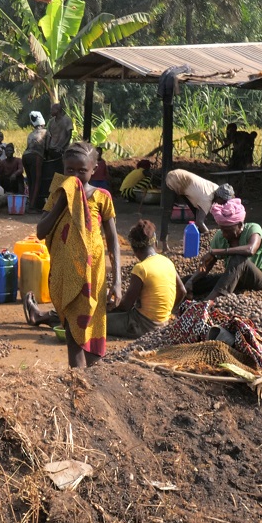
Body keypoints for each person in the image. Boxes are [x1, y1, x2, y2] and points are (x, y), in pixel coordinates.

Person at [23, 140, 121, 368]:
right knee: (73, 334)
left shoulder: (102, 197)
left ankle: (93, 379)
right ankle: (78, 382)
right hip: (66, 274)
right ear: (63, 168)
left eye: (82, 170)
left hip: (93, 275)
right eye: (70, 170)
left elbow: (113, 240)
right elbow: (41, 231)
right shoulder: (58, 194)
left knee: (94, 325)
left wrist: (117, 281)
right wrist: (62, 203)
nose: (75, 175)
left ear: (94, 169)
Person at [107, 219, 186, 338]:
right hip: (164, 324)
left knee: (97, 322)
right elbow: (183, 291)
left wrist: (109, 307)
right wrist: (168, 312)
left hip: (142, 326)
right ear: (155, 244)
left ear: (134, 250)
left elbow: (126, 306)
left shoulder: (141, 268)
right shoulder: (167, 262)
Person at [187, 197, 262, 298]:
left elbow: (250, 249)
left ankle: (208, 303)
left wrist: (216, 252)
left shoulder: (253, 228)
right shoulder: (220, 236)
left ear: (239, 225)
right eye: (222, 230)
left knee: (238, 259)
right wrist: (192, 280)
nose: (224, 234)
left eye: (228, 231)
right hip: (237, 280)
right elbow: (208, 264)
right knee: (189, 281)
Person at [164, 168, 221, 234]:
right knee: (167, 212)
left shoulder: (216, 188)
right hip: (175, 181)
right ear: (219, 197)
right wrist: (210, 237)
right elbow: (200, 222)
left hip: (181, 178)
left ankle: (199, 236)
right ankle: (164, 241)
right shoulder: (207, 200)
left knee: (197, 215)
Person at [21, 111, 46, 207]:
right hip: (35, 156)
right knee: (36, 180)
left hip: (25, 156)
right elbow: (47, 147)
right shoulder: (46, 132)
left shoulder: (31, 134)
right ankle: (32, 205)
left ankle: (32, 201)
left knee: (30, 180)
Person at [44, 101, 74, 167]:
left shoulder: (67, 120)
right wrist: (47, 147)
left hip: (62, 150)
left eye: (52, 109)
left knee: (61, 168)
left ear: (57, 110)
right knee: (52, 168)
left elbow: (69, 135)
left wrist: (61, 147)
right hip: (52, 149)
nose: (51, 111)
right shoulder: (51, 121)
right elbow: (49, 135)